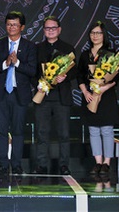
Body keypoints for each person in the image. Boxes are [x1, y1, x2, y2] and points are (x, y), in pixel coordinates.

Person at [0, 11, 37, 176]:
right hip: (1, 94)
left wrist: (17, 63)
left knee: (18, 131)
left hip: (19, 94)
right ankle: (2, 165)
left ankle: (16, 165)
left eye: (15, 24)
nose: (11, 27)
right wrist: (5, 63)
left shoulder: (29, 46)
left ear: (22, 27)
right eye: (8, 24)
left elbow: (32, 70)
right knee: (1, 131)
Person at [32, 16, 76, 175]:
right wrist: (38, 83)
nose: (50, 31)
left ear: (59, 29)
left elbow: (74, 72)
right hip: (42, 95)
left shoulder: (68, 48)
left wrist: (65, 77)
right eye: (47, 28)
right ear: (43, 30)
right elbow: (32, 71)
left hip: (61, 97)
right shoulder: (36, 48)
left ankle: (64, 165)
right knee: (42, 133)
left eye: (53, 28)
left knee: (64, 133)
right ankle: (41, 164)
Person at [78, 21, 119, 177]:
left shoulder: (111, 54)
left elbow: (117, 76)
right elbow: (80, 76)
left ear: (104, 35)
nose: (95, 36)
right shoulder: (84, 55)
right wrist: (86, 92)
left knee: (107, 130)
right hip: (90, 96)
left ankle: (107, 163)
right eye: (93, 33)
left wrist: (104, 88)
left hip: (106, 96)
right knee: (93, 131)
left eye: (98, 33)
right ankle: (97, 162)